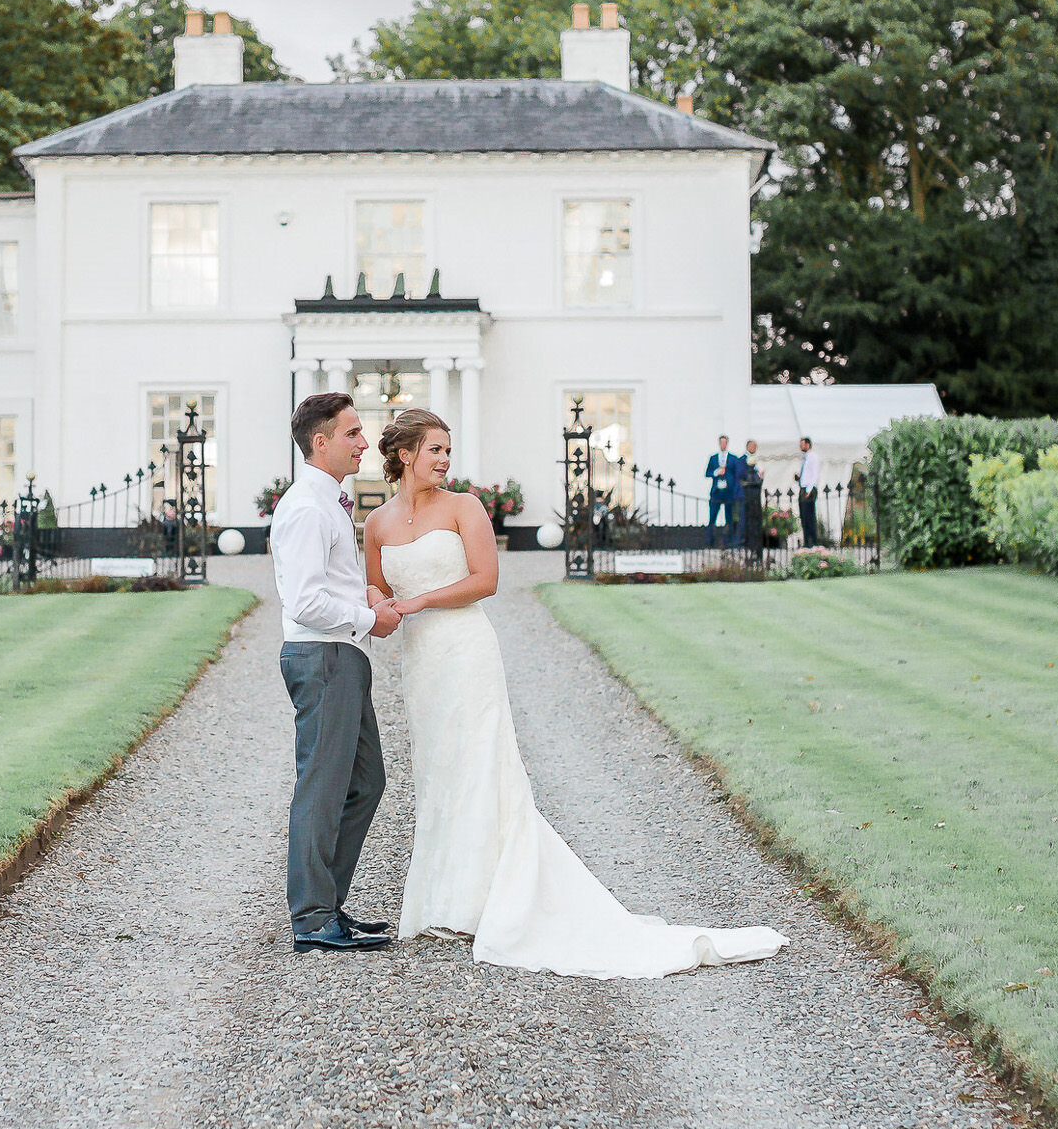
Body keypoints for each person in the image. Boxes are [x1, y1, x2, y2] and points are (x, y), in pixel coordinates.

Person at [363, 408, 787, 978]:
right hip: (422, 663)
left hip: (466, 650)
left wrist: (413, 604)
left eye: (448, 449)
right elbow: (377, 585)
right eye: (434, 449)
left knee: (483, 765)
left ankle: (489, 901)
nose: (444, 459)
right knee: (438, 769)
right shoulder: (377, 524)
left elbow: (486, 580)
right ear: (406, 454)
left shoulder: (465, 508)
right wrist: (379, 604)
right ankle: (446, 902)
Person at [269, 393, 400, 953]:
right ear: (320, 442)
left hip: (343, 655)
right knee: (321, 787)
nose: (364, 443)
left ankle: (328, 903)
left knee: (367, 782)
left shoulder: (331, 502)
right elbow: (303, 601)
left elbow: (328, 583)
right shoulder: (306, 507)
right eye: (352, 433)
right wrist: (368, 616)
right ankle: (312, 917)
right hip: (322, 656)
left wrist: (363, 603)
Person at [702, 433, 738, 546]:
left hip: (728, 492)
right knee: (712, 517)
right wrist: (716, 472)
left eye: (725, 442)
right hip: (717, 491)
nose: (723, 444)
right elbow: (707, 473)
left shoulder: (733, 458)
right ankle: (710, 541)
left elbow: (736, 474)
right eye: (721, 442)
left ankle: (728, 541)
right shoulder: (713, 458)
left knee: (729, 518)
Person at [795, 435, 822, 548]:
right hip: (803, 487)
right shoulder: (805, 458)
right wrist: (799, 478)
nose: (800, 447)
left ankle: (812, 542)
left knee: (809, 516)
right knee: (804, 516)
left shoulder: (812, 457)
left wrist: (809, 489)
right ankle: (806, 541)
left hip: (808, 489)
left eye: (802, 444)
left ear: (808, 444)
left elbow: (814, 474)